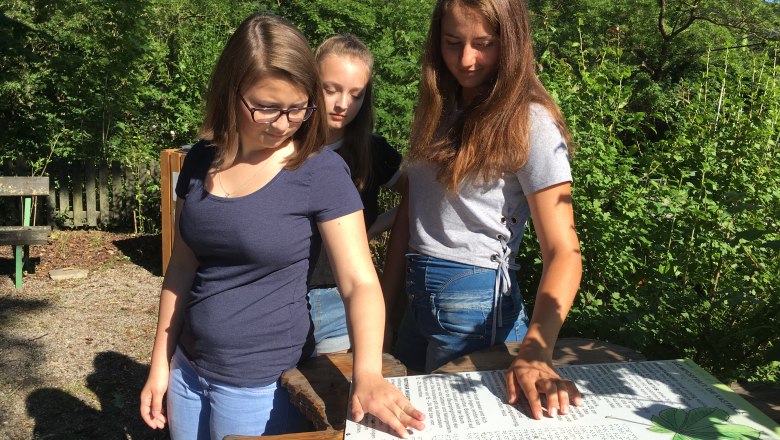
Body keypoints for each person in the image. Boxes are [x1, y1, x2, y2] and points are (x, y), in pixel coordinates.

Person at [139, 14, 424, 439]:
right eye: (266, 107)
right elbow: (181, 269)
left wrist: (367, 372)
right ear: (230, 92)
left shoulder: (320, 171)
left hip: (258, 386)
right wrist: (161, 363)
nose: (283, 123)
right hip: (187, 369)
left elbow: (360, 283)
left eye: (297, 107)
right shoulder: (200, 160)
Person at [381, 0, 584, 420]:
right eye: (453, 42)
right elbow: (411, 214)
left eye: (483, 44)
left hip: (474, 301)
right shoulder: (439, 105)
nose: (466, 59)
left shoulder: (531, 121)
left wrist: (535, 352)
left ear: (511, 43)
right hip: (417, 294)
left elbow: (564, 251)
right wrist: (384, 308)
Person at [307, 34, 406, 355]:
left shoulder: (373, 151)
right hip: (284, 300)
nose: (342, 105)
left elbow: (419, 195)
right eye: (330, 89)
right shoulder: (283, 145)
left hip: (345, 305)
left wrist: (374, 227)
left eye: (355, 94)